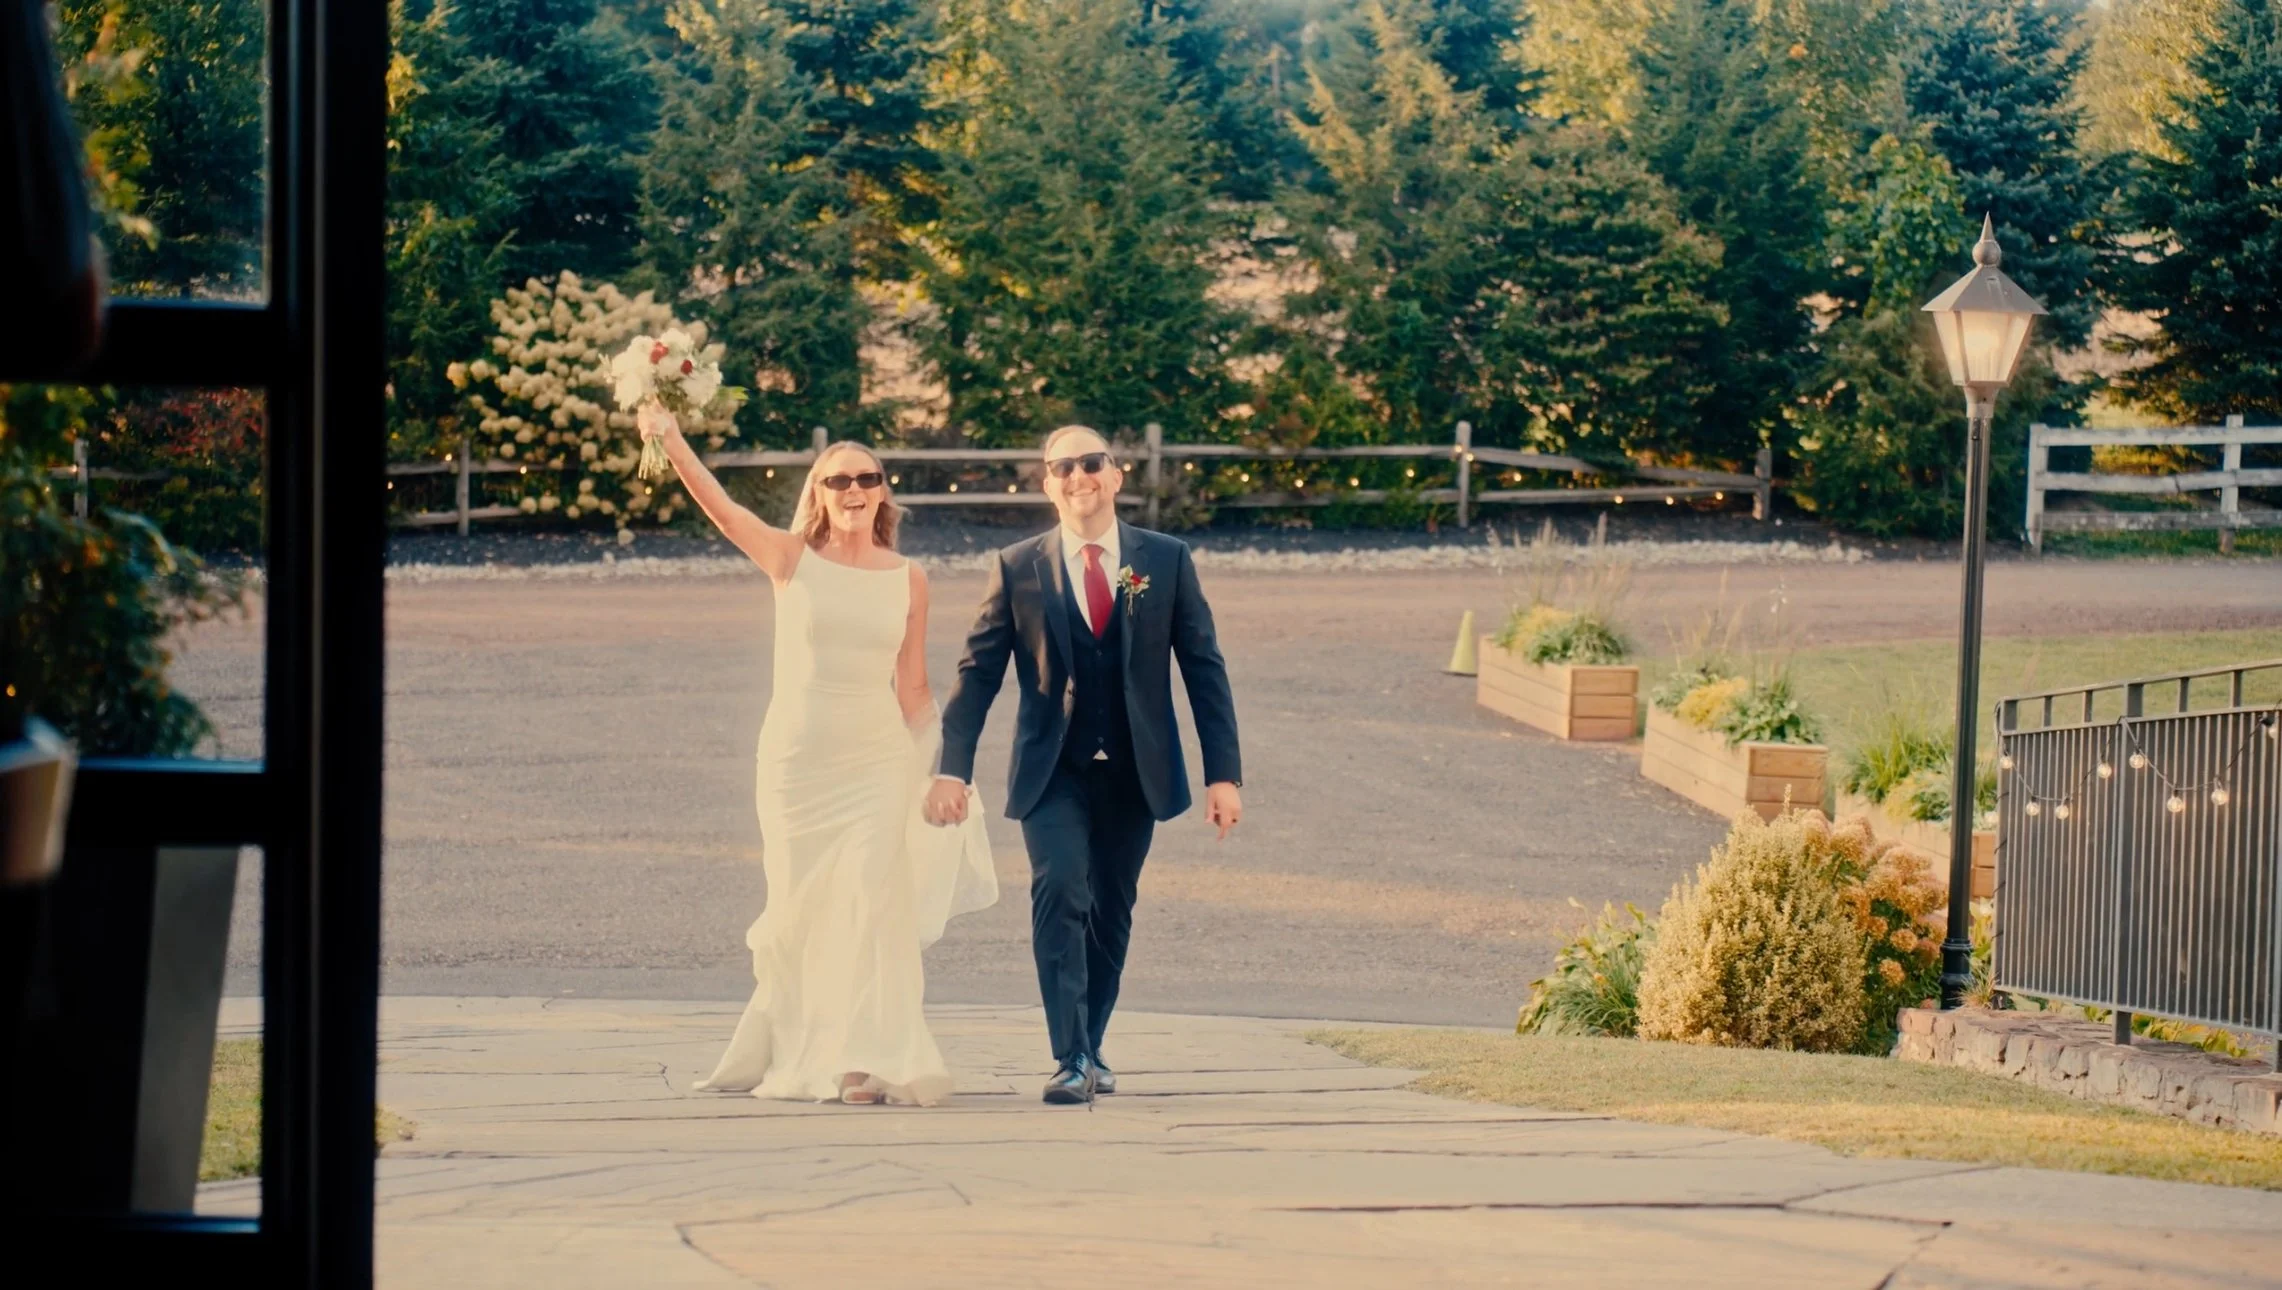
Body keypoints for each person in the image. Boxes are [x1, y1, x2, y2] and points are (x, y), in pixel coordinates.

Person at [639, 403, 996, 1106]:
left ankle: (862, 1059)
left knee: (870, 901)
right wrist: (672, 439)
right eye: (838, 480)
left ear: (883, 492)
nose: (854, 489)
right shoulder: (790, 558)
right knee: (799, 910)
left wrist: (944, 771)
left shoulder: (909, 578)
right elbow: (724, 512)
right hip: (797, 765)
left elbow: (914, 686)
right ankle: (803, 1044)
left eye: (867, 478)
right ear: (820, 493)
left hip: (877, 763)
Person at [925, 424, 1242, 1104]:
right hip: (1053, 769)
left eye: (1091, 462)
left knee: (1112, 908)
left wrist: (1224, 775)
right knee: (1062, 888)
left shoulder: (1166, 559)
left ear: (1116, 474)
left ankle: (1092, 1044)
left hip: (1136, 768)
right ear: (1048, 484)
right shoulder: (1018, 566)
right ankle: (1068, 1056)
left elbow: (1203, 667)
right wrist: (953, 767)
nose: (1078, 477)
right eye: (1062, 467)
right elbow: (977, 674)